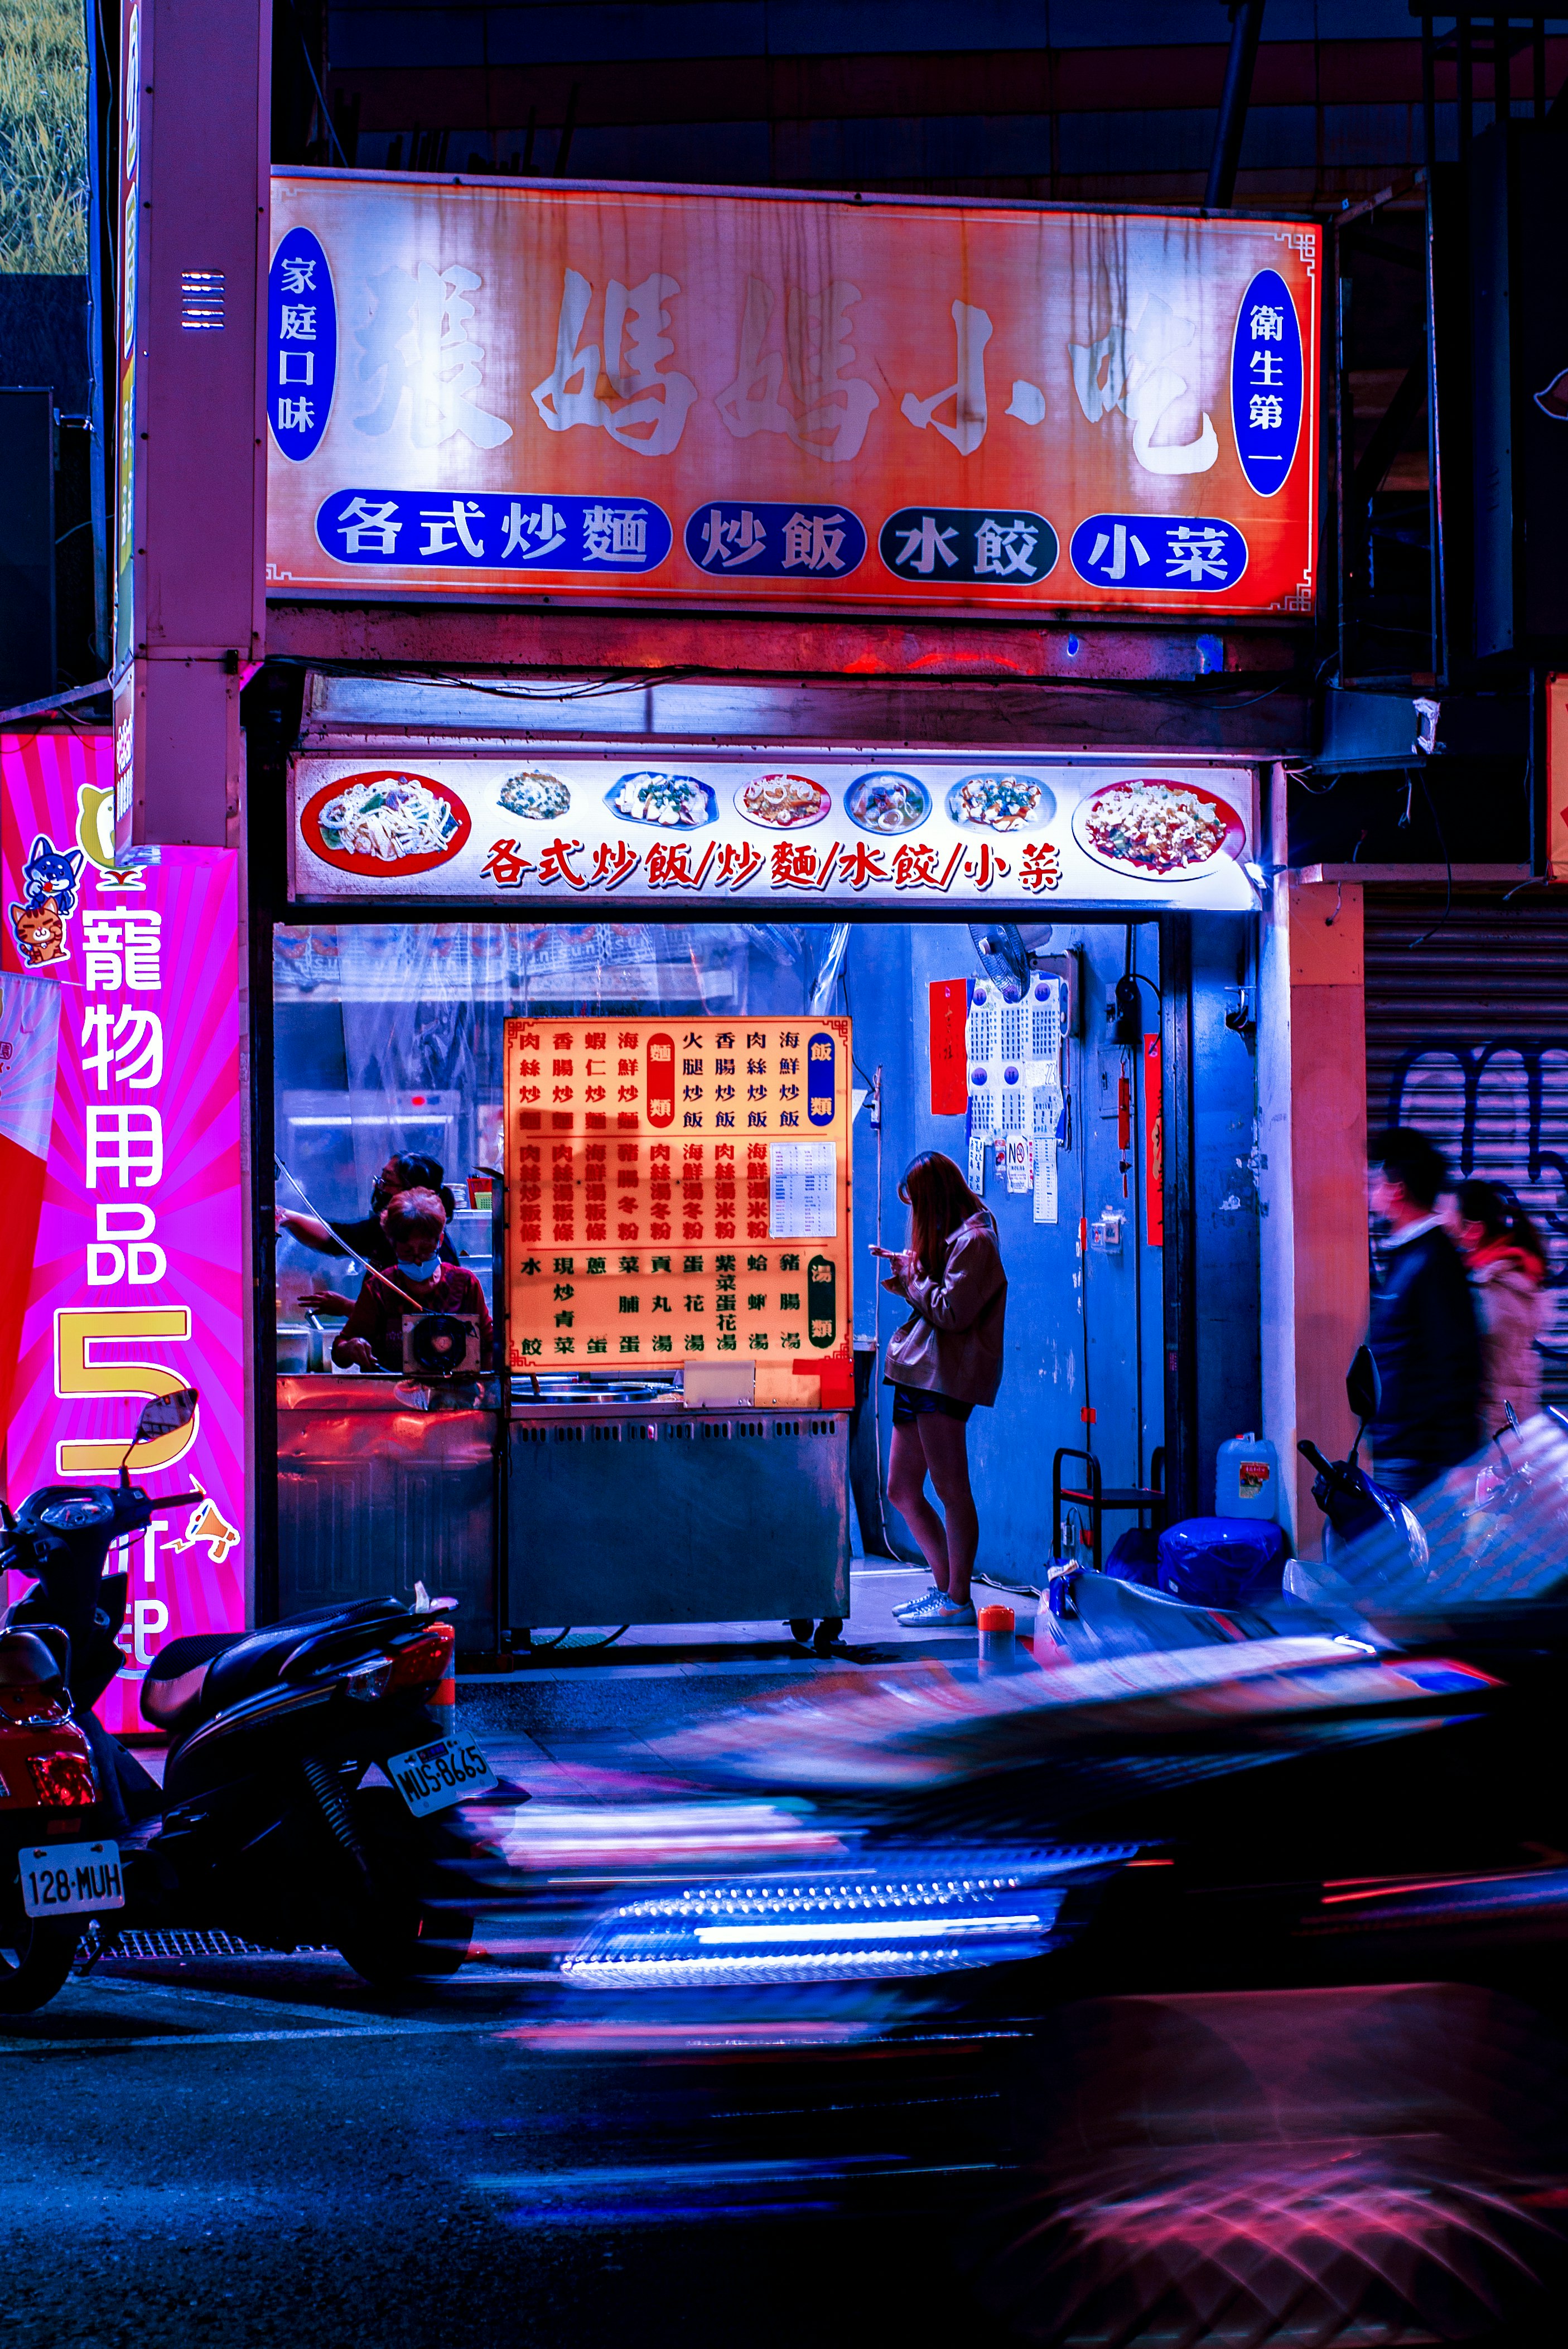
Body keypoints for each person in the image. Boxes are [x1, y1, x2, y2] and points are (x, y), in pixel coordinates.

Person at [869, 1150, 1007, 1629]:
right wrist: (908, 1270)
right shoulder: (954, 1236)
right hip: (916, 1369)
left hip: (943, 1377)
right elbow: (937, 1294)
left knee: (951, 1490)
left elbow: (951, 1312)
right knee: (902, 1488)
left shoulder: (976, 1240)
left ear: (937, 1197)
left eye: (919, 1204)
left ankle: (958, 1596)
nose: (916, 1215)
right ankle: (946, 1588)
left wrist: (912, 1279)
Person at [1365, 1127, 1482, 1497]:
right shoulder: (1408, 1256)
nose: (1371, 1192)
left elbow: (1454, 1362)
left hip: (1419, 1459)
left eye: (1376, 1181)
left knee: (1415, 1555)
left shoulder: (1433, 1261)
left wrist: (1458, 1460)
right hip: (1399, 1449)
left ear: (1396, 1190)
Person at [279, 1152, 459, 1316]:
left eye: (386, 1182)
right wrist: (288, 1216)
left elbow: (418, 1318)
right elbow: (339, 1239)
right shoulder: (384, 1229)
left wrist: (347, 1307)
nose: (379, 1186)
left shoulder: (446, 1265)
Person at [332, 1189, 491, 1376]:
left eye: (426, 1250)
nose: (418, 1260)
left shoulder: (465, 1284)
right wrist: (351, 1348)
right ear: (392, 1244)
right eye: (407, 1252)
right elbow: (340, 1351)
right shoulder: (379, 1288)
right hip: (389, 1396)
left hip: (454, 1395)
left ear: (440, 1240)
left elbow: (489, 1345)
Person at [1442, 1177, 1550, 1430]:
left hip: (1494, 1425)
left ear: (1473, 1229)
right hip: (1514, 1418)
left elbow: (1492, 1374)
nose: (1445, 1227)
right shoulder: (1515, 1272)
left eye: (1450, 1219)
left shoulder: (1491, 1287)